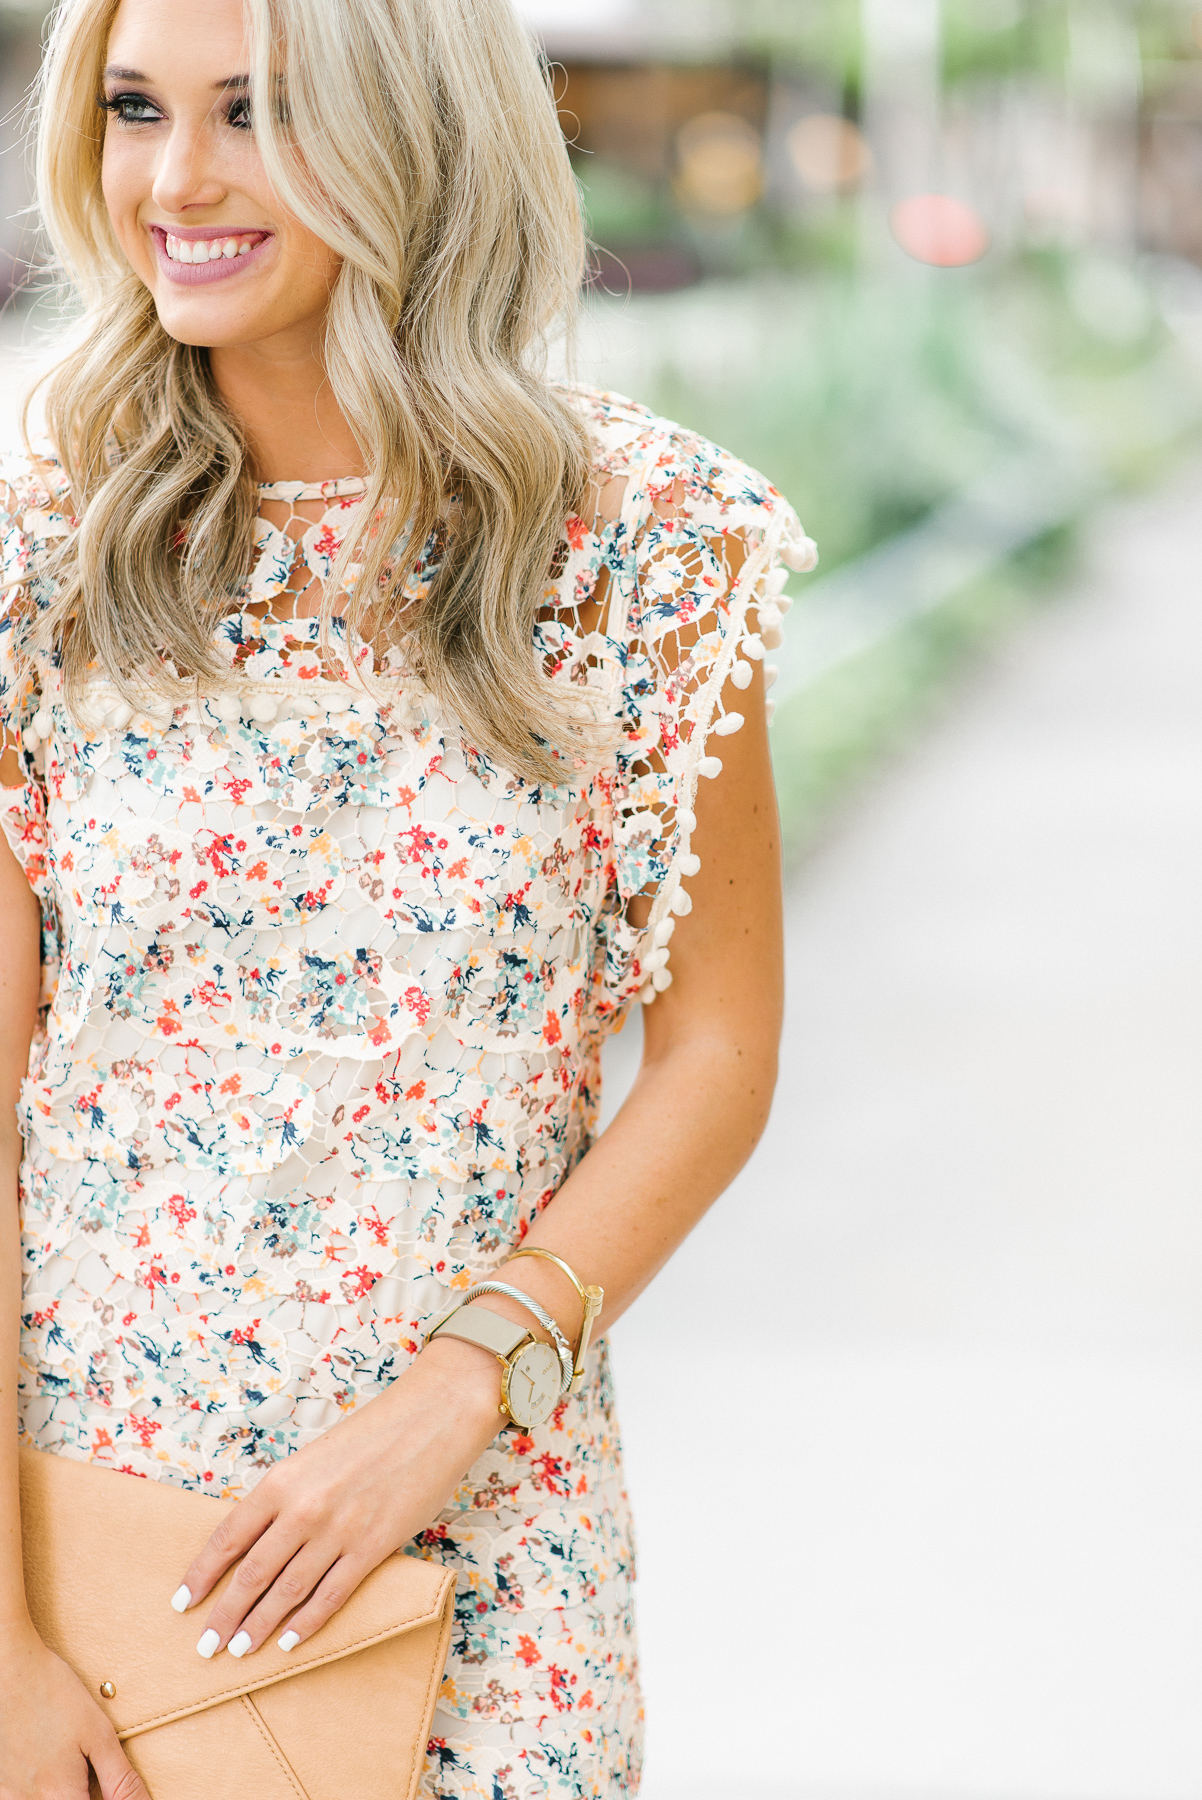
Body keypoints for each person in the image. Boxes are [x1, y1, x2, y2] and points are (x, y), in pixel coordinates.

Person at [0, 0, 815, 1794]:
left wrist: (465, 1388)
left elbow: (717, 1056)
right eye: (138, 108)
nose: (179, 176)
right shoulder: (39, 555)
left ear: (414, 136)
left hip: (482, 1515)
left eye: (260, 113)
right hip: (85, 1522)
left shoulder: (651, 547)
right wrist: (0, 1637)